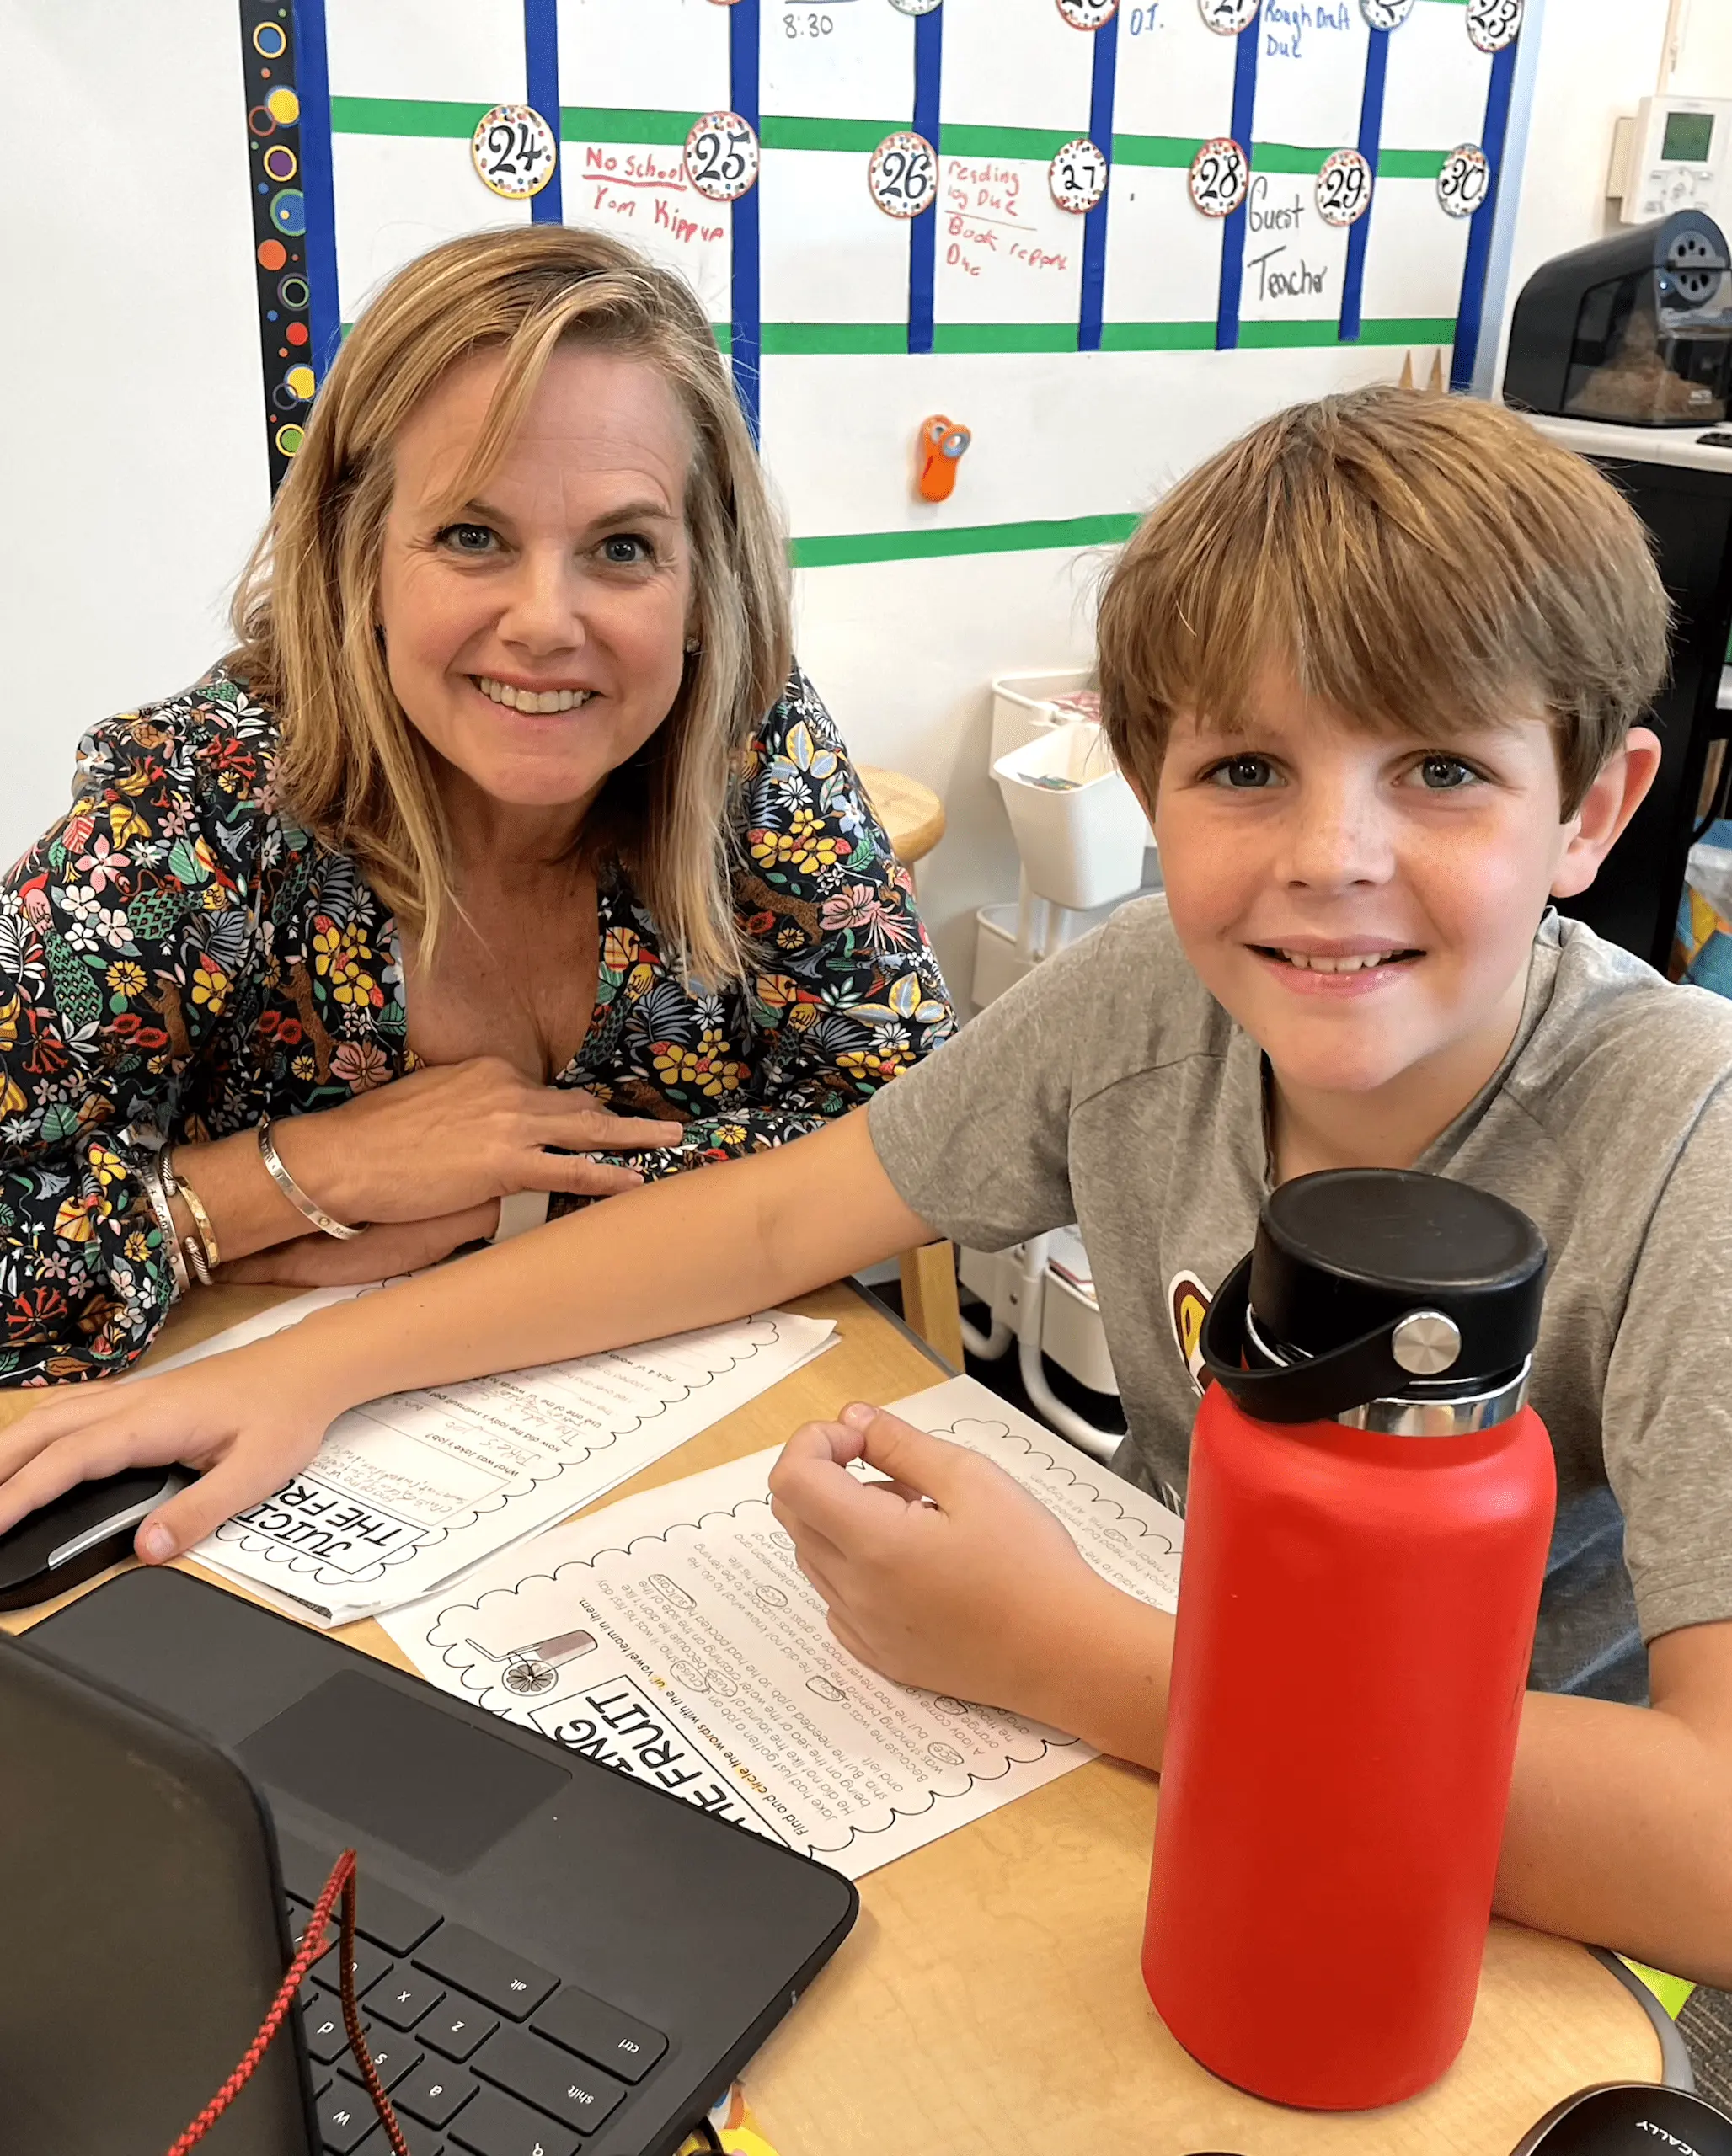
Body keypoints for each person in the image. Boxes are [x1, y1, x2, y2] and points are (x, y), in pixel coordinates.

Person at [8, 387, 1732, 1983]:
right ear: (1149, 786)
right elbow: (772, 1211)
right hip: (1150, 1772)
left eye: (1437, 770)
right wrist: (302, 1366)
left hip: (1507, 1914)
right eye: (1243, 769)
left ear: (1591, 806)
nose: (1328, 855)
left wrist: (1073, 1654)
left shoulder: (1682, 1141)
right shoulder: (1148, 996)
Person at [0, 225, 950, 1383]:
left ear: (703, 583)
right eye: (471, 535)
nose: (549, 621)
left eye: (622, 546)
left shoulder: (743, 743)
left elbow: (920, 1135)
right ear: (362, 559)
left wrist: (506, 1209)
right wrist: (296, 1179)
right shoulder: (203, 802)